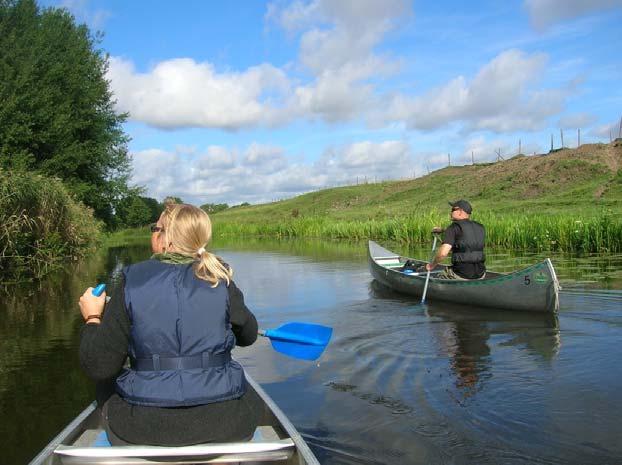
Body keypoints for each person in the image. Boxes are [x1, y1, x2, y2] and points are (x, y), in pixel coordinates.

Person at [78, 203, 261, 446]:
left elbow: (98, 365)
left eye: (155, 228)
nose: (152, 233)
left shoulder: (132, 280)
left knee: (107, 380)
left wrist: (93, 317)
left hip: (144, 428)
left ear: (166, 238)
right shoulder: (220, 278)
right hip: (226, 424)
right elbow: (248, 336)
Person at [425, 199, 486, 280]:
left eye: (453, 210)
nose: (451, 212)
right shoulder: (480, 227)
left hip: (461, 275)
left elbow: (442, 254)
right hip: (480, 274)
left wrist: (431, 265)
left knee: (440, 276)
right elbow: (465, 235)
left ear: (460, 211)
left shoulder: (453, 228)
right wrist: (444, 230)